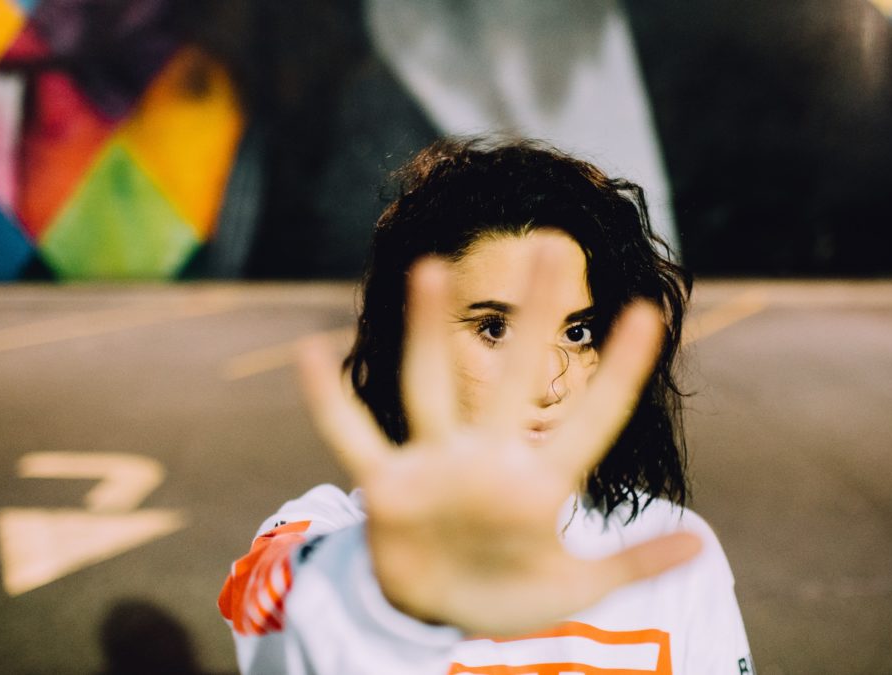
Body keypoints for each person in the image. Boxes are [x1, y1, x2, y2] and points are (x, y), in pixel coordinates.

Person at [218, 138, 753, 674]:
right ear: (407, 337)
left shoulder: (668, 548)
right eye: (494, 328)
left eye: (578, 330)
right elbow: (270, 606)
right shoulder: (325, 537)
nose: (547, 381)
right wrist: (390, 598)